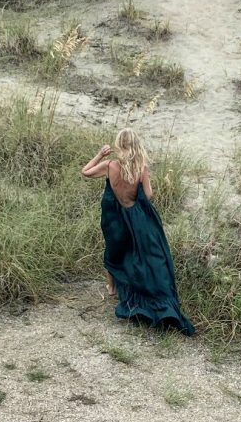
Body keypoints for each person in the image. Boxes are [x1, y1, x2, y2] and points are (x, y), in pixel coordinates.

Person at [81, 129, 195, 335]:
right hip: (137, 217)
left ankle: (112, 288)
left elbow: (85, 172)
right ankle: (152, 296)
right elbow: (149, 194)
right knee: (142, 255)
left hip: (115, 216)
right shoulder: (141, 168)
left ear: (118, 145)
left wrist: (100, 154)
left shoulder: (110, 165)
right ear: (136, 146)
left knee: (114, 250)